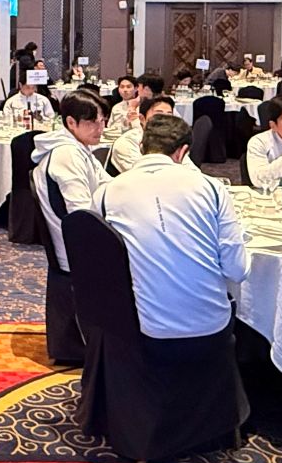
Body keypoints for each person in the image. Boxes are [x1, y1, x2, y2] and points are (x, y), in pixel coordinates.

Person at [92, 112, 248, 352]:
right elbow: (236, 270)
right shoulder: (212, 188)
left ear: (142, 147)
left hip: (141, 325)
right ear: (182, 152)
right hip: (208, 325)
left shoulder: (106, 193)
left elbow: (101, 266)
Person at [32, 92, 109, 365]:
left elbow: (106, 183)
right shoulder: (67, 154)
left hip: (77, 235)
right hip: (74, 242)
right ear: (71, 123)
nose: (100, 128)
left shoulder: (79, 148)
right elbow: (81, 212)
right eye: (92, 122)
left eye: (102, 121)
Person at [109, 96, 176, 174]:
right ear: (142, 119)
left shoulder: (174, 141)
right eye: (158, 115)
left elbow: (187, 168)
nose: (165, 121)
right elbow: (141, 174)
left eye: (169, 116)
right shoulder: (127, 142)